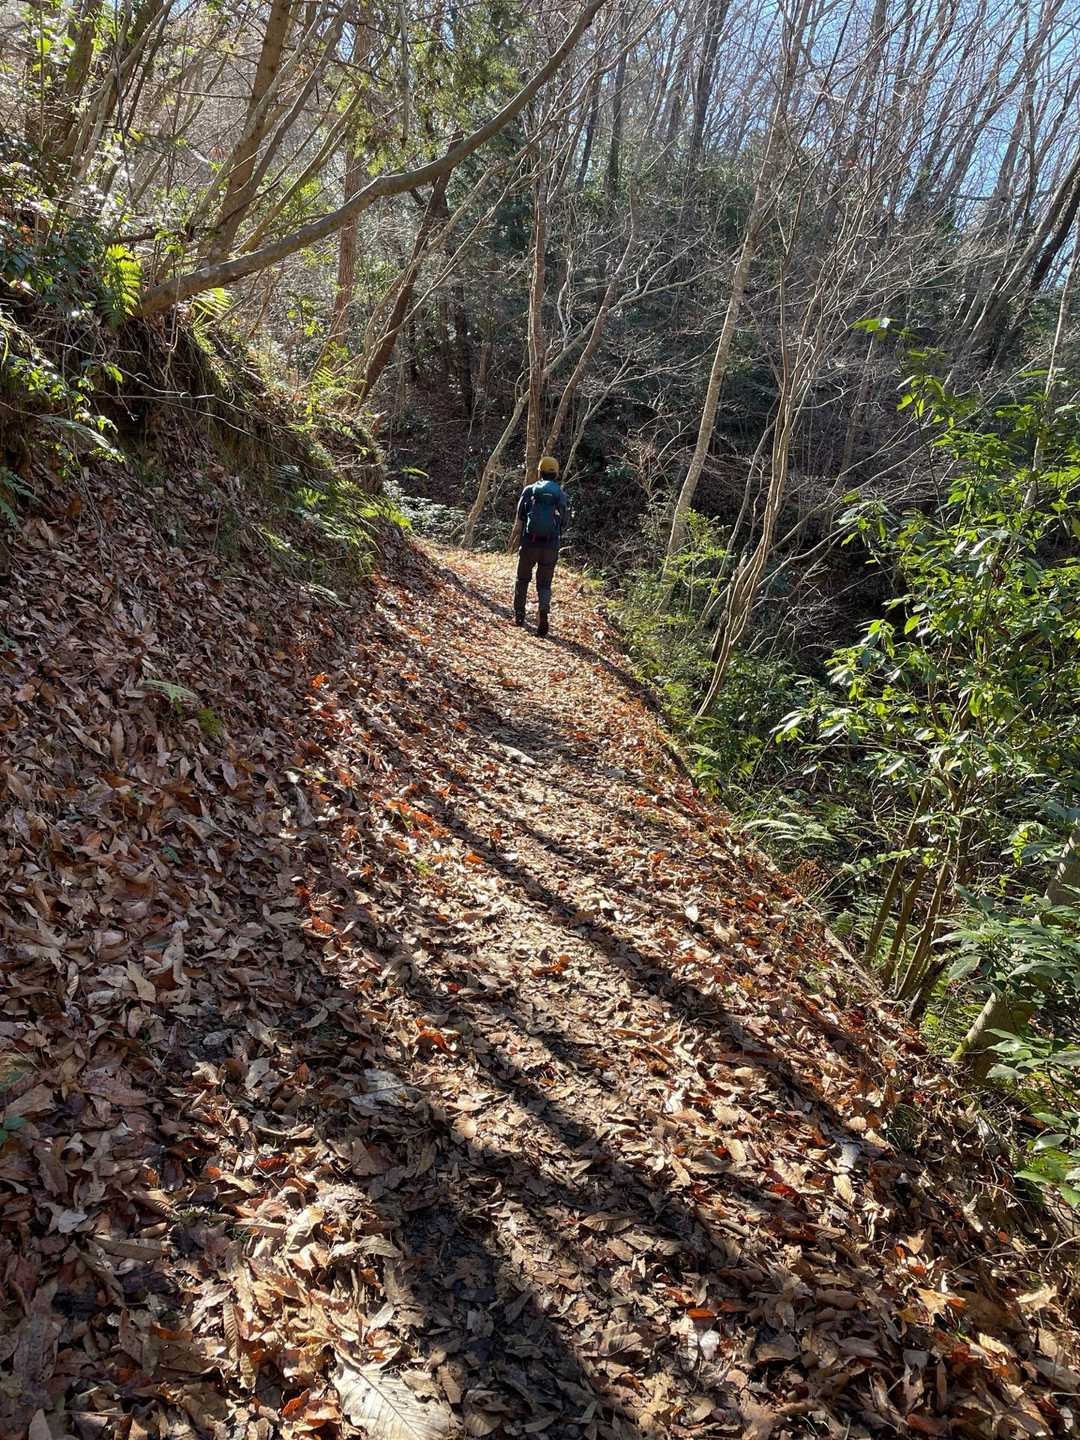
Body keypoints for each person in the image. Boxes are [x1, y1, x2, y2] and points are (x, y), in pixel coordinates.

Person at [509, 455, 568, 637]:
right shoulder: (560, 494)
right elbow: (564, 521)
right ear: (556, 473)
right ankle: (543, 611)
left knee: (522, 579)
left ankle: (519, 615)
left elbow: (520, 514)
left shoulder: (530, 490)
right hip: (550, 546)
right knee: (544, 584)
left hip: (529, 543)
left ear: (540, 471)